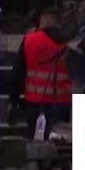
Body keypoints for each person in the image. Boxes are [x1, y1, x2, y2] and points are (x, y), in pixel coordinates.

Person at [10, 10, 73, 141]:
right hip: (63, 103)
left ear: (46, 22)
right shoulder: (71, 41)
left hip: (35, 102)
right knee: (64, 141)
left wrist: (14, 101)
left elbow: (18, 73)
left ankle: (40, 161)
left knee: (36, 142)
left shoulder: (30, 40)